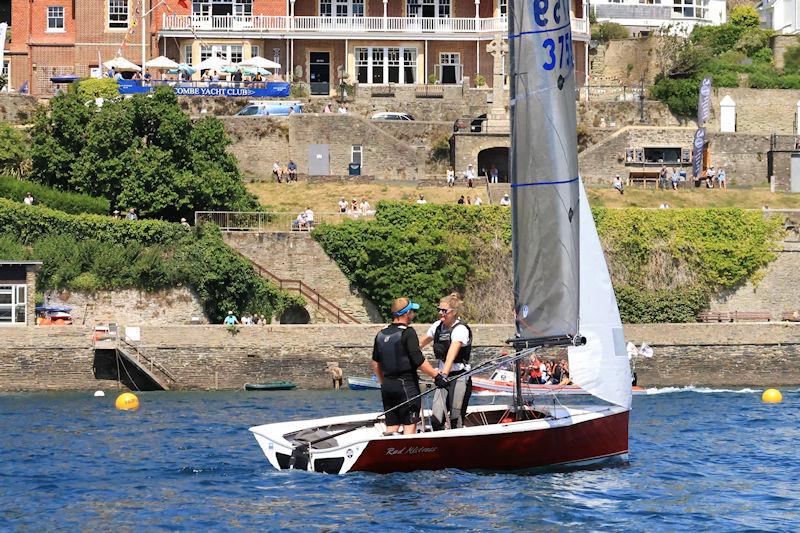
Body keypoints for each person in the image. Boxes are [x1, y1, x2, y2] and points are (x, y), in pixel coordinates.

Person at [371, 297, 440, 435]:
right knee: (410, 427)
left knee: (391, 427)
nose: (413, 314)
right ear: (406, 313)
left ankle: (390, 454)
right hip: (406, 386)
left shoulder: (380, 334)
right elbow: (418, 360)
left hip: (387, 388)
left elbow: (375, 362)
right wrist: (437, 376)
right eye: (412, 311)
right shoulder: (408, 332)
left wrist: (383, 382)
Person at [419, 292, 473, 431]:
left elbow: (451, 355)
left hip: (459, 375)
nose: (440, 313)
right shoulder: (437, 326)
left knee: (456, 417)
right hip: (443, 375)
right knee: (437, 418)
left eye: (444, 311)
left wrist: (443, 375)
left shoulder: (460, 329)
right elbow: (420, 344)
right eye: (439, 310)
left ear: (454, 312)